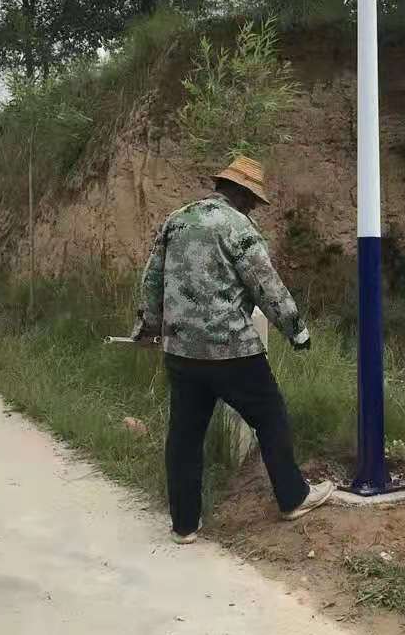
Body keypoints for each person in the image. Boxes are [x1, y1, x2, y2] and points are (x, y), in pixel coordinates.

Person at [137, 154, 334, 543]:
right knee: (271, 416)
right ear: (243, 194)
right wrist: (296, 330)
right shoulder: (238, 228)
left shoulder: (176, 220)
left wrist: (149, 325)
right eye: (253, 201)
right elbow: (265, 285)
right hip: (232, 351)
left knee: (185, 435)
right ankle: (293, 497)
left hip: (181, 351)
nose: (253, 208)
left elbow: (152, 278)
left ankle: (184, 525)